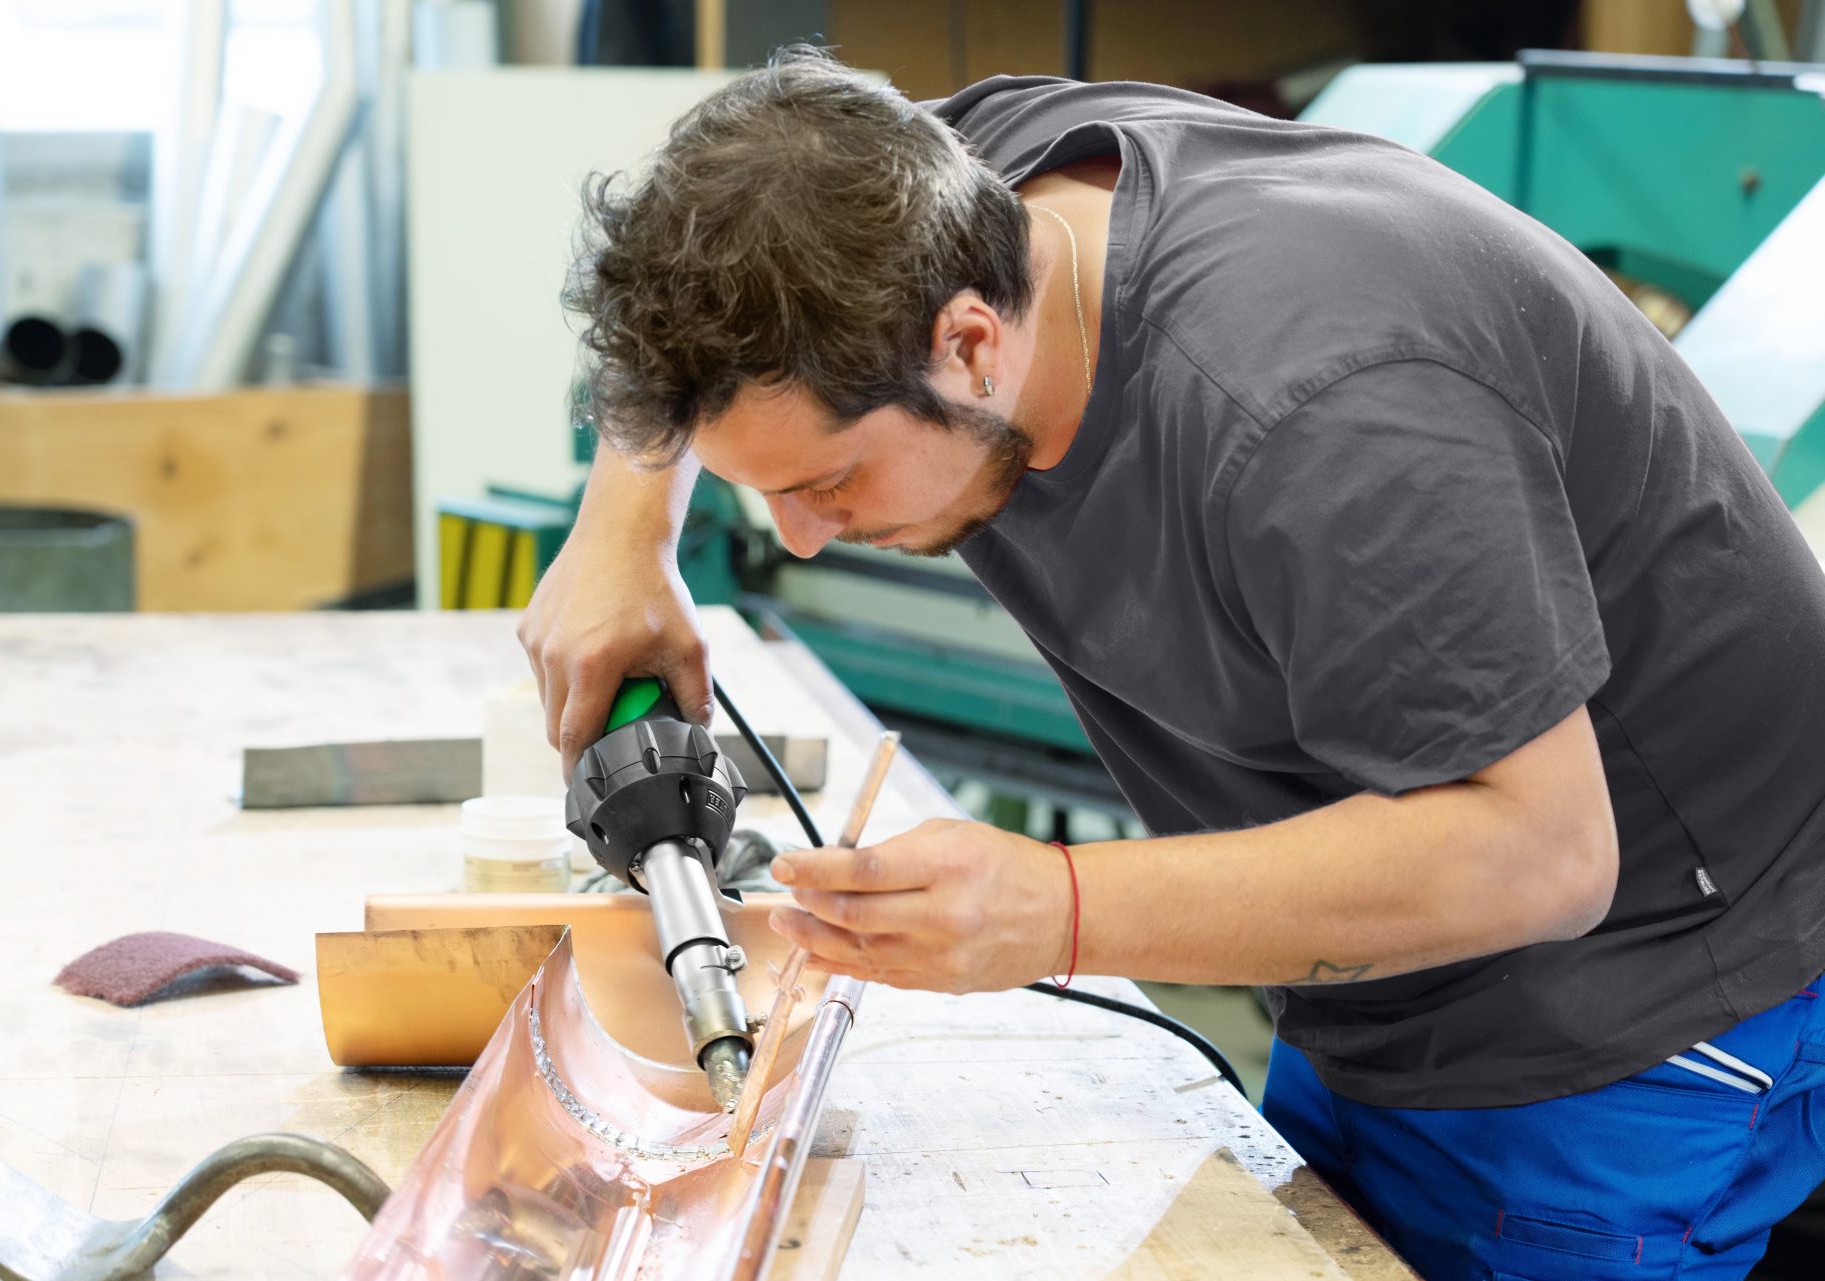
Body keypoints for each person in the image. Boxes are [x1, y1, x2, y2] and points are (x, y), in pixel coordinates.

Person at [518, 47, 1825, 1279]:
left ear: (969, 343)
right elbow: (723, 222)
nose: (798, 532)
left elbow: (1542, 855)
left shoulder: (1320, 411)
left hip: (1630, 1008)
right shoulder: (947, 194)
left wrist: (1060, 910)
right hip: (1390, 982)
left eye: (829, 481)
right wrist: (627, 531)